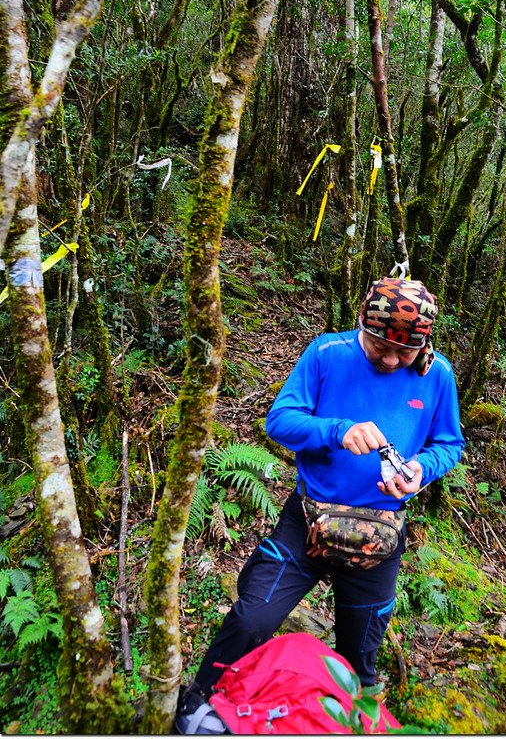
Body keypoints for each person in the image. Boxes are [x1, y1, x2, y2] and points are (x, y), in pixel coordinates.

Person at [176, 277, 465, 731]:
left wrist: (420, 471)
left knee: (359, 660)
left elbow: (449, 443)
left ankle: (346, 724)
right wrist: (337, 430)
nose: (391, 360)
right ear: (361, 327)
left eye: (404, 352)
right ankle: (198, 703)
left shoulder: (438, 375)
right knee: (252, 618)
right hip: (306, 521)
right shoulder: (328, 354)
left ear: (424, 343)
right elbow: (280, 421)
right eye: (380, 346)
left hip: (379, 534)